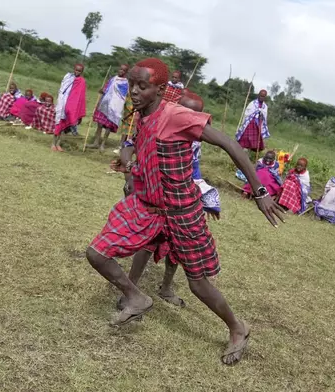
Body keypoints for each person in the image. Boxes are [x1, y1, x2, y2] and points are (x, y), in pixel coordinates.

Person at [87, 58, 285, 366]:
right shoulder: (141, 116)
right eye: (132, 85)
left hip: (181, 212)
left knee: (198, 284)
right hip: (148, 206)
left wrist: (260, 191)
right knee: (96, 253)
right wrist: (128, 162)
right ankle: (136, 296)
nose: (134, 92)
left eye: (143, 86)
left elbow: (231, 144)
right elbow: (131, 146)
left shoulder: (177, 116)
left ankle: (237, 328)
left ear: (161, 89)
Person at [119, 91, 222, 310]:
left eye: (196, 114)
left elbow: (194, 170)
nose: (190, 118)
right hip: (154, 194)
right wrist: (130, 174)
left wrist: (207, 198)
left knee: (177, 249)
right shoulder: (158, 125)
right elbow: (130, 147)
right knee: (147, 244)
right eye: (186, 112)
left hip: (180, 202)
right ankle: (130, 289)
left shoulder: (197, 137)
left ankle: (166, 287)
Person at [88, 64, 130, 152]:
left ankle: (103, 144)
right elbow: (106, 89)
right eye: (120, 69)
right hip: (105, 104)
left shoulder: (125, 83)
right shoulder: (112, 79)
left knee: (108, 126)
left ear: (126, 72)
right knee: (99, 124)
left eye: (123, 70)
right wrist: (102, 90)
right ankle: (96, 142)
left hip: (114, 107)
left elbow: (122, 96)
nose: (121, 71)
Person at [52, 64, 87, 152]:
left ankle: (58, 144)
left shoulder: (82, 81)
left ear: (82, 72)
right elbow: (61, 90)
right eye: (76, 70)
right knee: (58, 123)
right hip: (62, 102)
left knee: (64, 126)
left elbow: (80, 96)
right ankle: (53, 143)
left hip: (71, 106)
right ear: (73, 69)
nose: (77, 72)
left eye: (79, 71)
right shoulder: (68, 77)